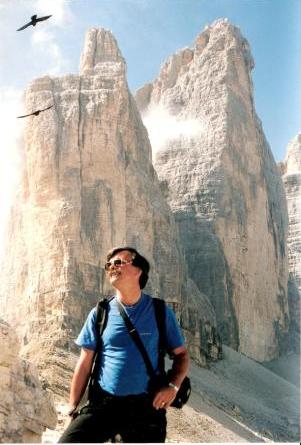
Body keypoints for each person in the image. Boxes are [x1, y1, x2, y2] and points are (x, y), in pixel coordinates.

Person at [59, 246, 189, 443]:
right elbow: (84, 363)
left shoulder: (160, 312)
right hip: (103, 405)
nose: (112, 267)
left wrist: (172, 386)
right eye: (108, 265)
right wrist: (73, 405)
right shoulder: (100, 313)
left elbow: (182, 355)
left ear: (139, 271)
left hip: (146, 408)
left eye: (119, 263)